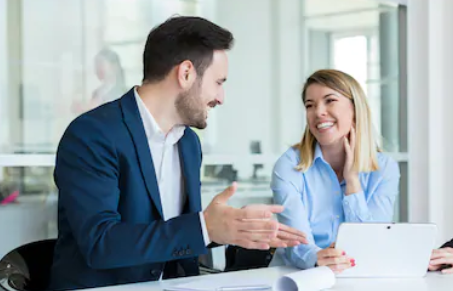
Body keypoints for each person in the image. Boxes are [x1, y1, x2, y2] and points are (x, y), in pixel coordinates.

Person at [49, 16, 307, 291]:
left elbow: (179, 233)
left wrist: (230, 226)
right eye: (219, 82)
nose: (222, 97)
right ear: (185, 74)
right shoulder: (93, 135)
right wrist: (205, 227)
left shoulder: (188, 144)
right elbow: (101, 242)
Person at [270, 69, 400, 274]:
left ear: (355, 109)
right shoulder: (289, 166)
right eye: (309, 105)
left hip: (358, 277)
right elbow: (296, 243)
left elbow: (373, 242)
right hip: (298, 276)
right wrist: (319, 258)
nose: (318, 112)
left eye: (329, 101)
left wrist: (352, 182)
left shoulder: (384, 169)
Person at [72, 48, 126, 113]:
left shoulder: (123, 93)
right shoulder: (96, 92)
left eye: (101, 64)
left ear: (114, 66)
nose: (97, 69)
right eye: (96, 65)